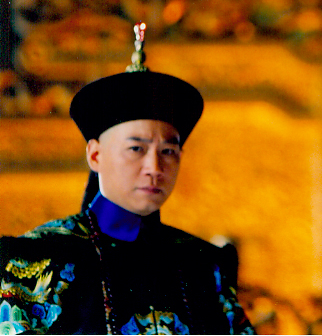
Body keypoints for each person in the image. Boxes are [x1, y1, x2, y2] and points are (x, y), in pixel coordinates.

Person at [0, 23, 254, 334]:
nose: (155, 167)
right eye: (136, 148)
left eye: (168, 151)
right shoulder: (37, 259)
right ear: (96, 156)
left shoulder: (204, 266)